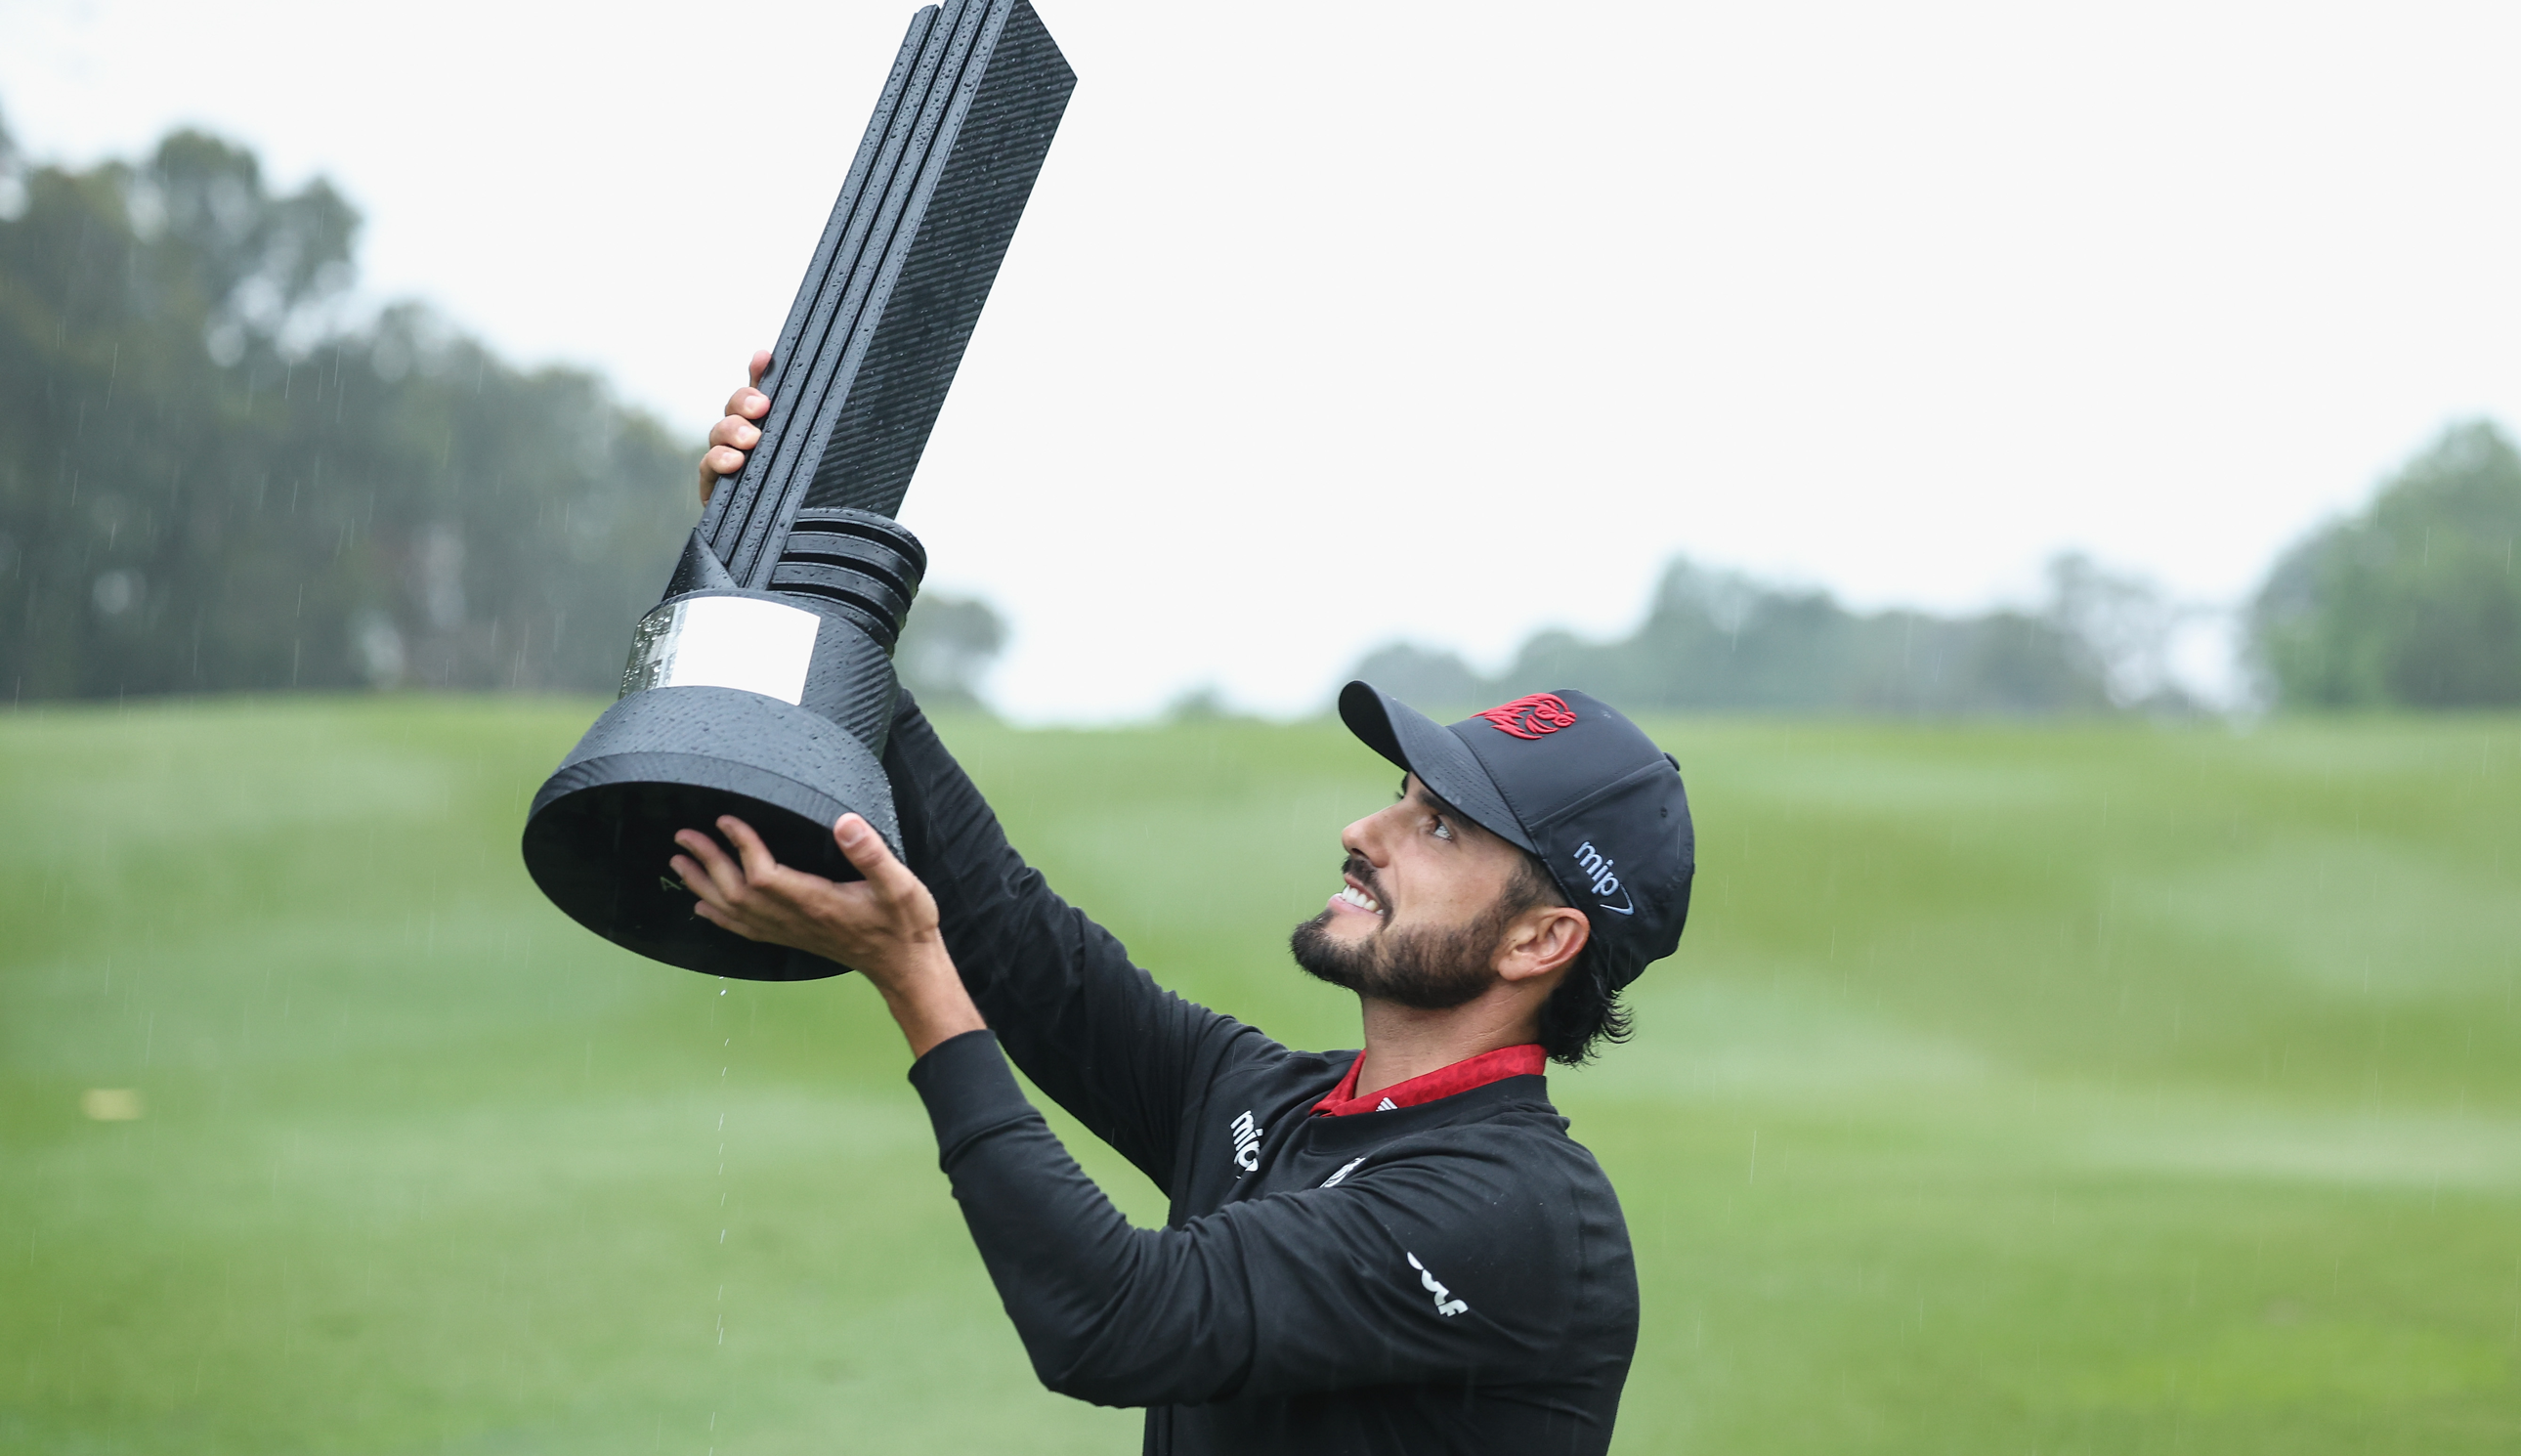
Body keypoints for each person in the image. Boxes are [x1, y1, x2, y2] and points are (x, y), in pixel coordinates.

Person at [671, 357, 1696, 1455]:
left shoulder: (1521, 1212)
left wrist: (913, 974)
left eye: (1438, 827)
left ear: (1543, 939)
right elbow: (1015, 941)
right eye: (1401, 797)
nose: (1365, 832)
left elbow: (1114, 1320)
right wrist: (802, 578)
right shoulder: (1269, 1099)